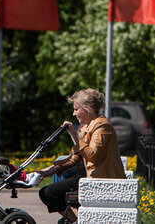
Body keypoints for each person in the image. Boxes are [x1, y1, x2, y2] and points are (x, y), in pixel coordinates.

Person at [33, 88, 125, 219]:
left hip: (98, 179)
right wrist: (45, 172)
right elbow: (74, 158)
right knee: (46, 192)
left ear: (88, 109)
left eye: (76, 109)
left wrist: (73, 134)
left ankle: (76, 220)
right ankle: (75, 220)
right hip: (87, 176)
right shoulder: (88, 126)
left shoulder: (102, 127)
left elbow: (92, 154)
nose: (73, 114)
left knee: (49, 193)